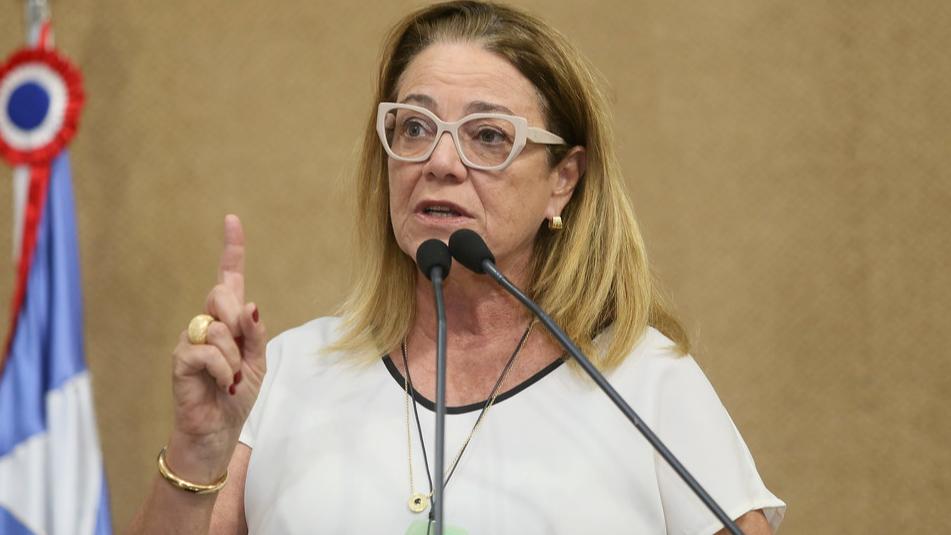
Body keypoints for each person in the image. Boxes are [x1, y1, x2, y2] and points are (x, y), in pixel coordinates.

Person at [129, 1, 785, 533]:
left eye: (488, 136)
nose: (439, 162)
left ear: (562, 180)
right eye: (414, 127)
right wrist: (199, 449)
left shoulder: (643, 383)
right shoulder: (290, 374)